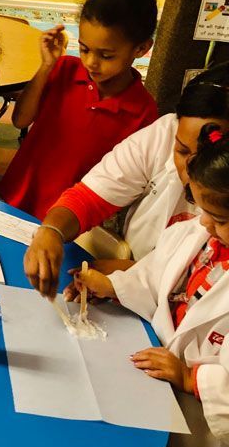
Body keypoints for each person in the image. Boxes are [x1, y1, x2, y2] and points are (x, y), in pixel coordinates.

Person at [73, 124, 229, 447]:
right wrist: (113, 287)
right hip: (154, 381)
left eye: (218, 218)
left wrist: (190, 378)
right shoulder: (199, 233)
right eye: (203, 211)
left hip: (202, 420)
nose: (204, 223)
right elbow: (158, 278)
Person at [25, 63, 229, 299]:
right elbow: (89, 196)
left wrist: (133, 276)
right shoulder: (162, 134)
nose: (189, 170)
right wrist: (50, 231)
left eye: (203, 157)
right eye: (181, 151)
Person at [0, 0, 159, 222]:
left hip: (71, 219)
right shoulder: (64, 69)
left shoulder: (144, 113)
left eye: (106, 55)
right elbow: (20, 120)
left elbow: (125, 183)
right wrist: (47, 66)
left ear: (141, 49)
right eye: (84, 49)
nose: (91, 62)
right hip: (19, 195)